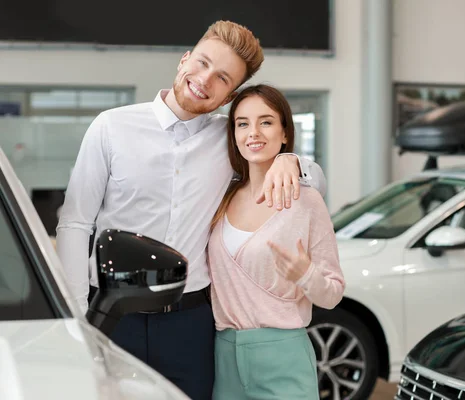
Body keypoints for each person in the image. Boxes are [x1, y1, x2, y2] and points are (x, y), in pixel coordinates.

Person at [56, 21, 326, 399]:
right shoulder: (111, 127)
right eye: (201, 63)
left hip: (192, 323)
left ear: (230, 95)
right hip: (113, 314)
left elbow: (315, 182)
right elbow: (74, 221)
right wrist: (74, 311)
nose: (204, 80)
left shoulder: (230, 140)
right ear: (185, 60)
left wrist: (290, 160)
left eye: (222, 78)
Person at [207, 84, 345, 400]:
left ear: (285, 133)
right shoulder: (220, 197)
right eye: (242, 123)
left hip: (284, 358)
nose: (253, 132)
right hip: (223, 358)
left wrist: (306, 275)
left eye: (266, 121)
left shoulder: (306, 202)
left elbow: (333, 293)